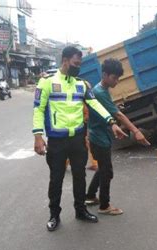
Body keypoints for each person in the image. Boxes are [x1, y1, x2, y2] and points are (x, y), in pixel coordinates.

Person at [33, 46, 127, 232]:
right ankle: (54, 215)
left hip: (77, 139)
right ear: (65, 60)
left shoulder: (81, 85)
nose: (78, 67)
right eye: (76, 63)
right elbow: (38, 110)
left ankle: (81, 210)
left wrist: (111, 122)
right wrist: (38, 136)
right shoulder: (46, 82)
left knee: (80, 177)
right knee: (56, 179)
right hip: (57, 141)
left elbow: (95, 105)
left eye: (79, 64)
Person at [85, 58, 150, 215]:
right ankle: (104, 206)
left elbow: (110, 111)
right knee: (107, 172)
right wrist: (136, 131)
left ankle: (90, 196)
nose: (116, 82)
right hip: (99, 138)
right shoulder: (100, 92)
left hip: (98, 136)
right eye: (114, 78)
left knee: (103, 168)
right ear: (105, 75)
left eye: (118, 78)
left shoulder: (101, 89)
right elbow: (118, 115)